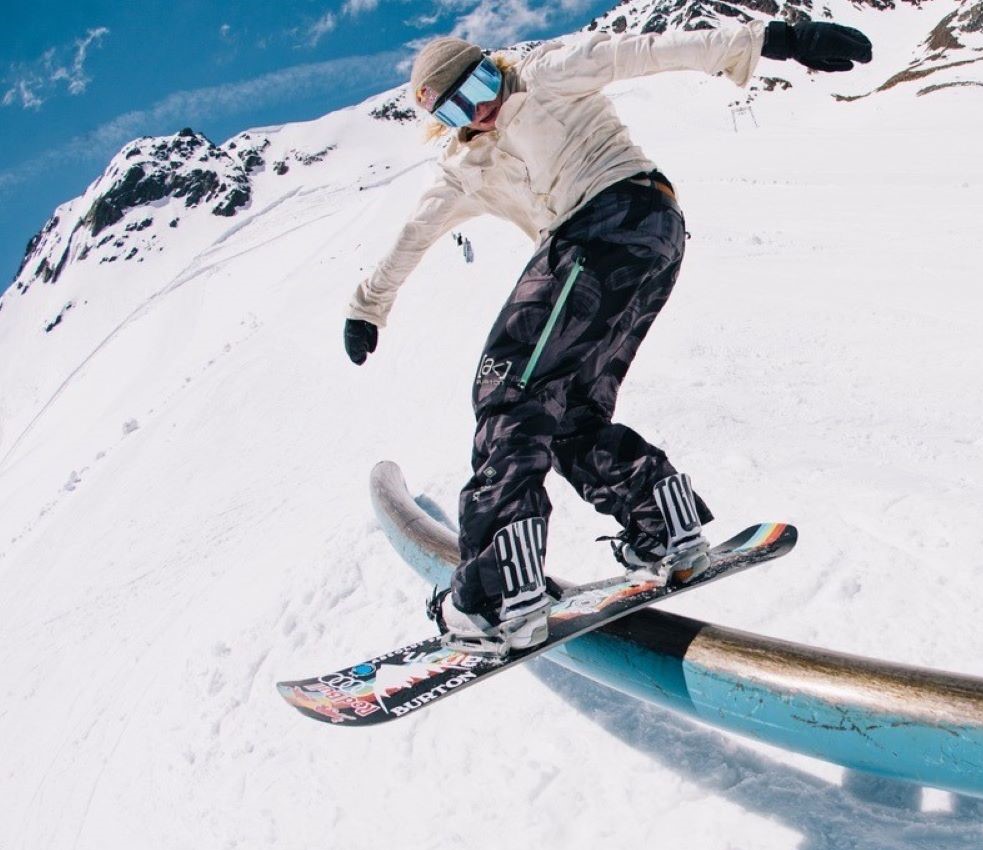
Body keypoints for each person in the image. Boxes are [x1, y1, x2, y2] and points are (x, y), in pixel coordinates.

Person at [341, 21, 872, 655]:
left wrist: (776, 42)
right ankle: (661, 523)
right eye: (459, 107)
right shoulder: (467, 167)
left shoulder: (544, 76)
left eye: (481, 84)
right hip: (649, 243)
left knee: (509, 394)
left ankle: (495, 596)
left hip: (608, 220)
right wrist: (367, 307)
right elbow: (415, 234)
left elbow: (647, 50)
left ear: (494, 65)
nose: (480, 108)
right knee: (569, 416)